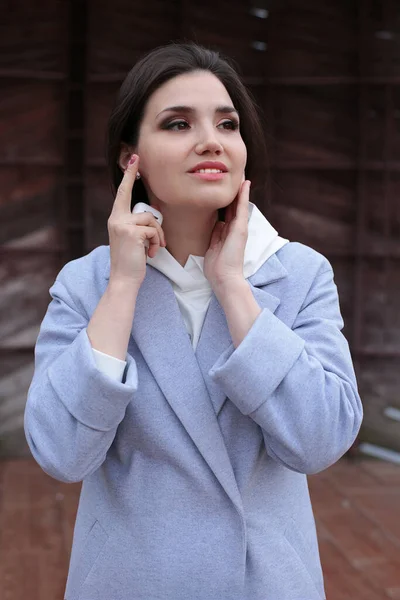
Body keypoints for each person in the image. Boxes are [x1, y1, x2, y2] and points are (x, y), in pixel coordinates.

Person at [24, 42, 363, 600]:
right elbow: (61, 454)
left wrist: (233, 286)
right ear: (130, 156)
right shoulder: (87, 285)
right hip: (130, 582)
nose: (211, 139)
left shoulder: (299, 274)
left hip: (267, 584)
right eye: (178, 123)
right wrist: (124, 287)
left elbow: (321, 441)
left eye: (227, 124)